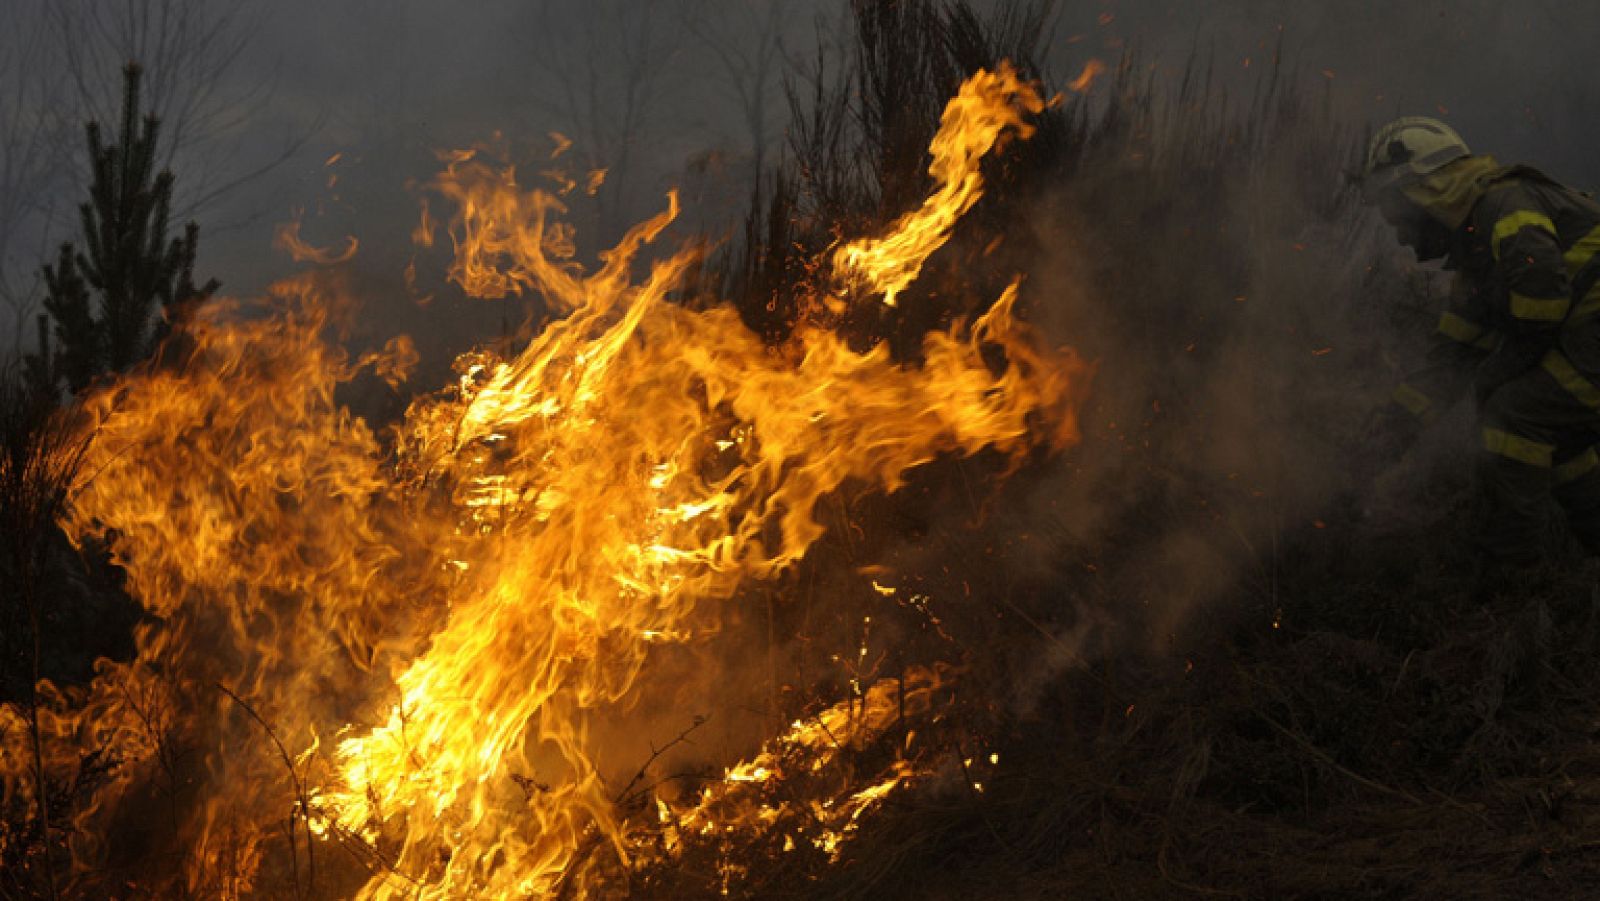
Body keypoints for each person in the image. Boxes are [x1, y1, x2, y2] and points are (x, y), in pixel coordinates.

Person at [1362, 117, 1600, 565]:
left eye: (1399, 216)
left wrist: (1494, 375)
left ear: (1427, 193)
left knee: (1513, 413)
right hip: (1588, 336)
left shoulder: (1505, 207)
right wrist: (1385, 440)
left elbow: (1543, 302)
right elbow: (1450, 361)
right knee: (1559, 435)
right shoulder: (1477, 256)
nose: (1400, 235)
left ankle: (1514, 572)